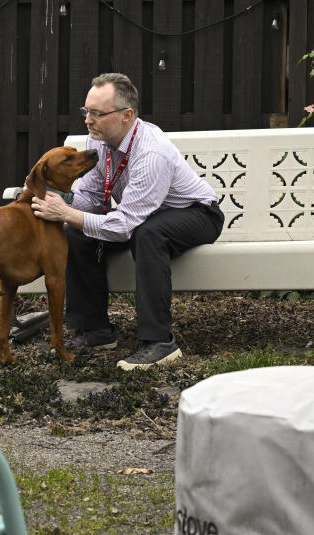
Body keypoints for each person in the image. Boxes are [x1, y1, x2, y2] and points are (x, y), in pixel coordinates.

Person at [31, 72, 224, 370]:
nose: (88, 120)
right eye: (86, 111)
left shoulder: (150, 152)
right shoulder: (98, 143)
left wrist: (67, 213)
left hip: (197, 214)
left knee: (148, 234)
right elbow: (92, 200)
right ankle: (94, 331)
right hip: (145, 216)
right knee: (76, 233)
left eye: (97, 113)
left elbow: (124, 227)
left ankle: (160, 342)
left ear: (126, 115)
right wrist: (60, 200)